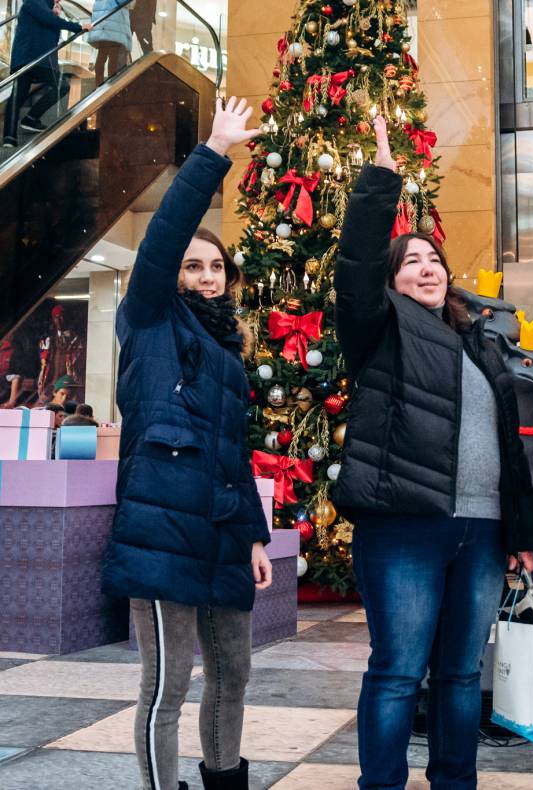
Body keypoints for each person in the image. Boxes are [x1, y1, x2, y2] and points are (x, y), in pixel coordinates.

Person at [333, 116, 533, 790]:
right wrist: (380, 181)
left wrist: (522, 535)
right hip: (404, 527)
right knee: (398, 671)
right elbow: (356, 264)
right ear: (393, 282)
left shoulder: (481, 345)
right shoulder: (378, 331)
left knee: (460, 674)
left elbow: (509, 455)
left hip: (481, 531)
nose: (425, 267)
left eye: (433, 258)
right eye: (410, 262)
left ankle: (455, 782)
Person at [100, 97, 270, 790]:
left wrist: (256, 534)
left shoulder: (227, 355)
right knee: (166, 686)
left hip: (224, 530)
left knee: (233, 673)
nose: (205, 277)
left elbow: (234, 452)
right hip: (160, 530)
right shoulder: (148, 319)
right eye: (193, 267)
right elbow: (164, 234)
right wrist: (214, 153)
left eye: (216, 269)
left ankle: (224, 781)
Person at [2, 0, 91, 147]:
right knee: (19, 95)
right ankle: (9, 137)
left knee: (61, 86)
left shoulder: (47, 9)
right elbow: (48, 20)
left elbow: (50, 36)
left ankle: (30, 118)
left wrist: (54, 14)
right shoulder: (34, 1)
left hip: (40, 60)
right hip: (27, 57)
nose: (59, 1)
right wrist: (78, 27)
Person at [90, 0, 134, 85]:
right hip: (114, 27)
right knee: (113, 59)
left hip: (103, 27)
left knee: (101, 56)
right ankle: (111, 85)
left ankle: (98, 85)